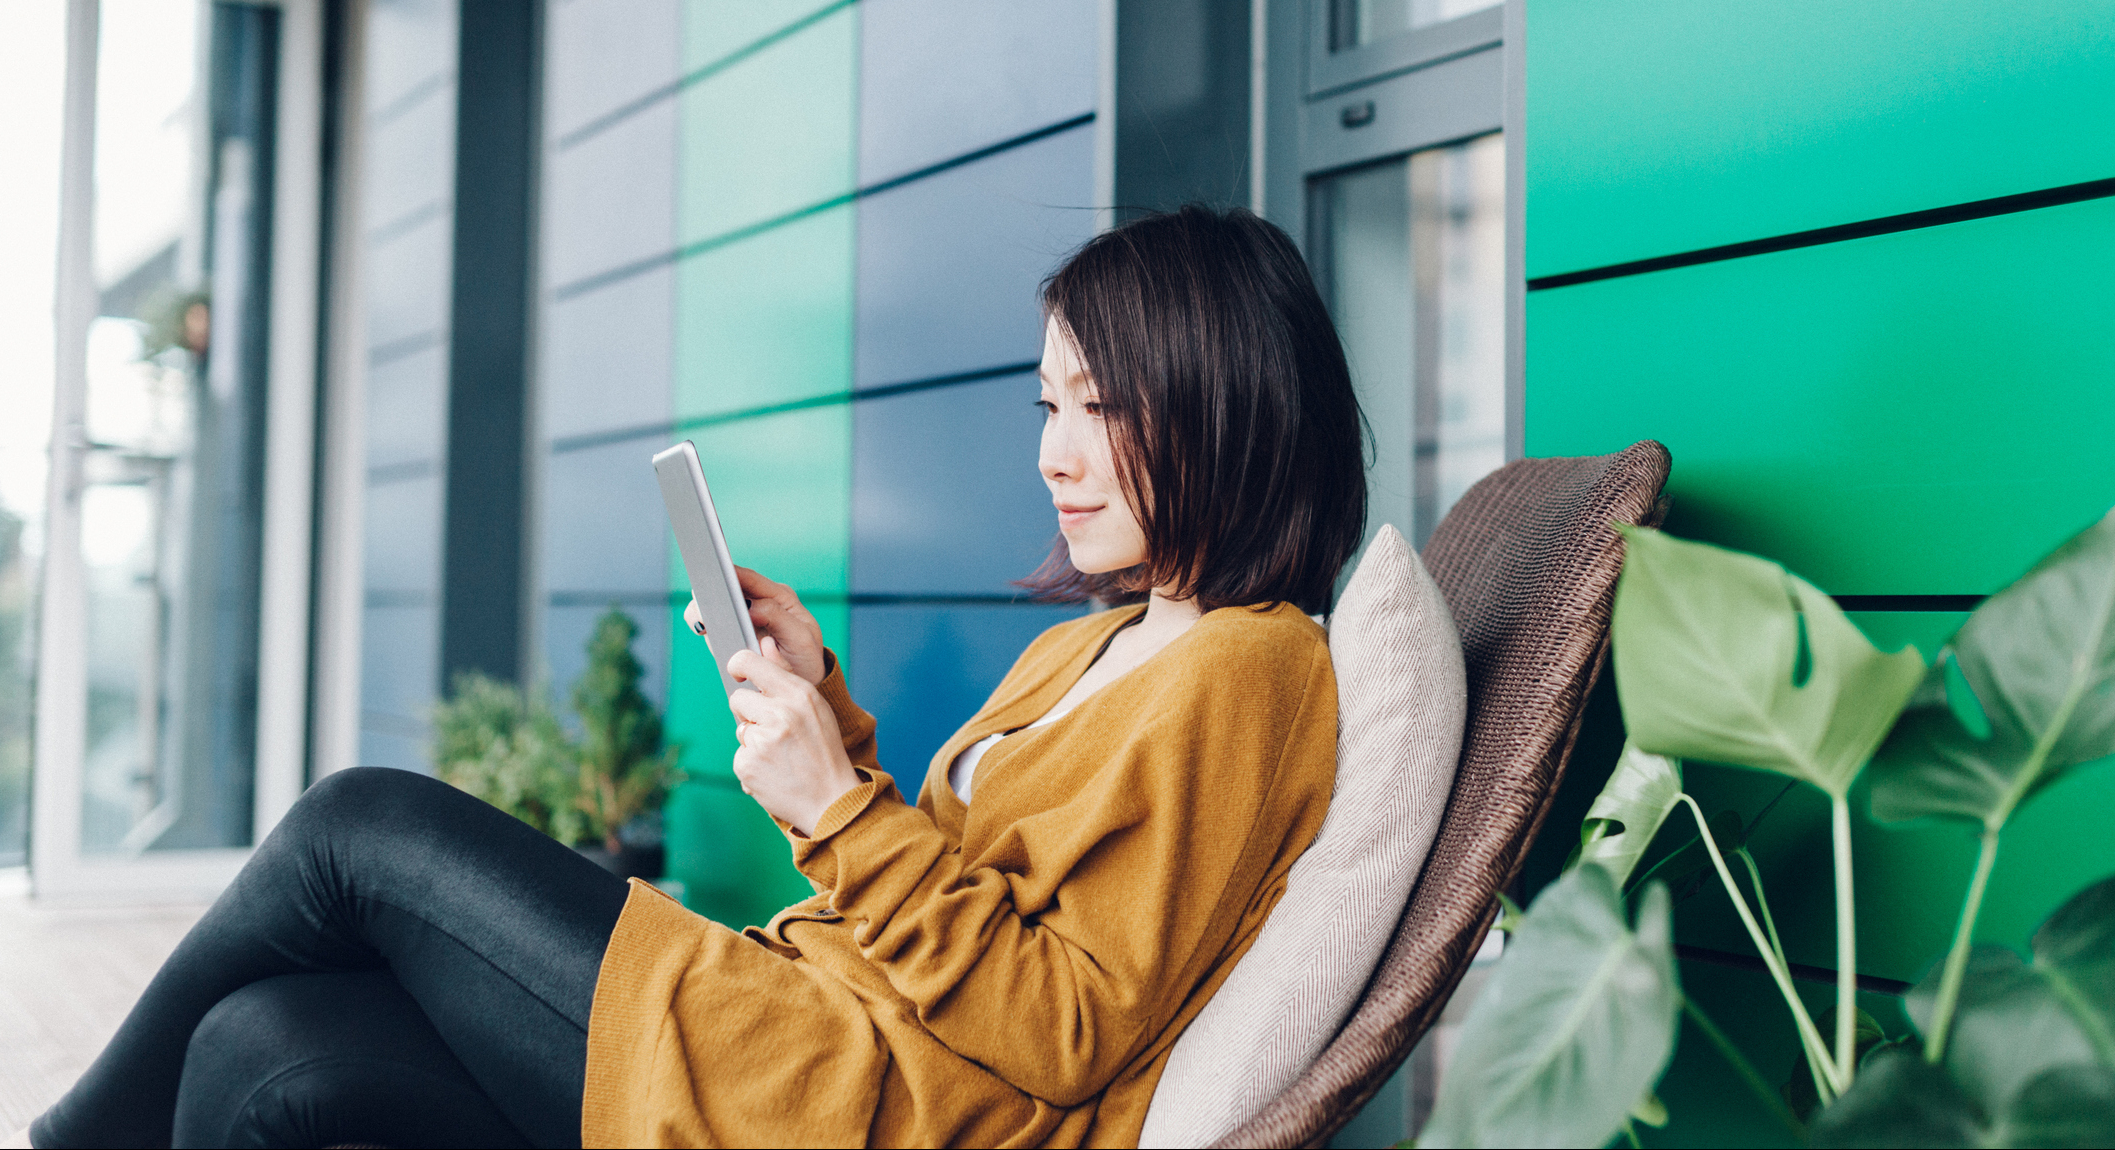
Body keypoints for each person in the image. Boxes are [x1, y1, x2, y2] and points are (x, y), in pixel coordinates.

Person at [20, 204, 1366, 1150]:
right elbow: (964, 879)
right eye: (1046, 407)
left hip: (852, 1101)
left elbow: (1069, 1022)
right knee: (261, 1050)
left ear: (1220, 397)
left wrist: (836, 807)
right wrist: (823, 717)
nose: (1052, 457)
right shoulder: (1109, 637)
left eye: (1099, 407)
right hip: (810, 1025)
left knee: (357, 828)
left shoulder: (1251, 671)